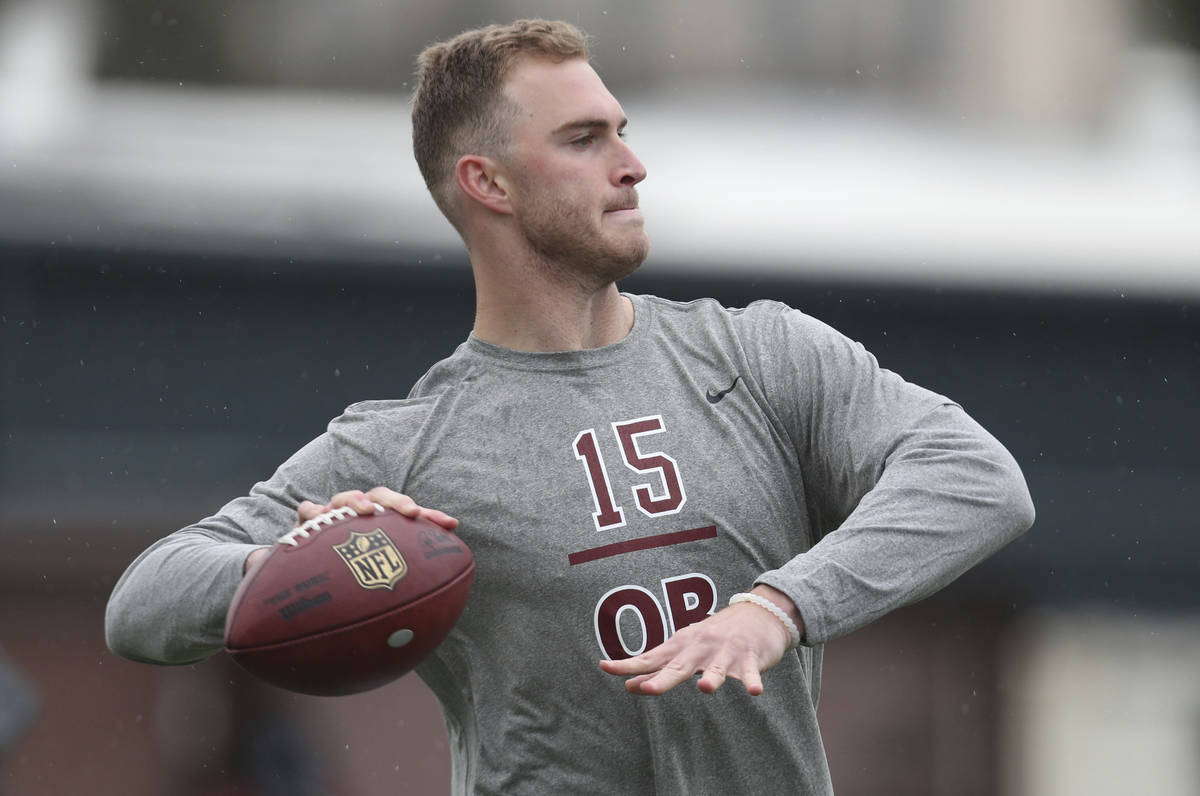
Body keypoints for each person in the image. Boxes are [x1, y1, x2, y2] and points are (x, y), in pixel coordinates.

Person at [106, 18, 1035, 795]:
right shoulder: (404, 446)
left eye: (622, 130)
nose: (631, 164)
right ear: (489, 183)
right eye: (585, 139)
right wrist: (301, 560)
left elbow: (979, 481)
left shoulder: (760, 354)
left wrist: (779, 606)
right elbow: (141, 605)